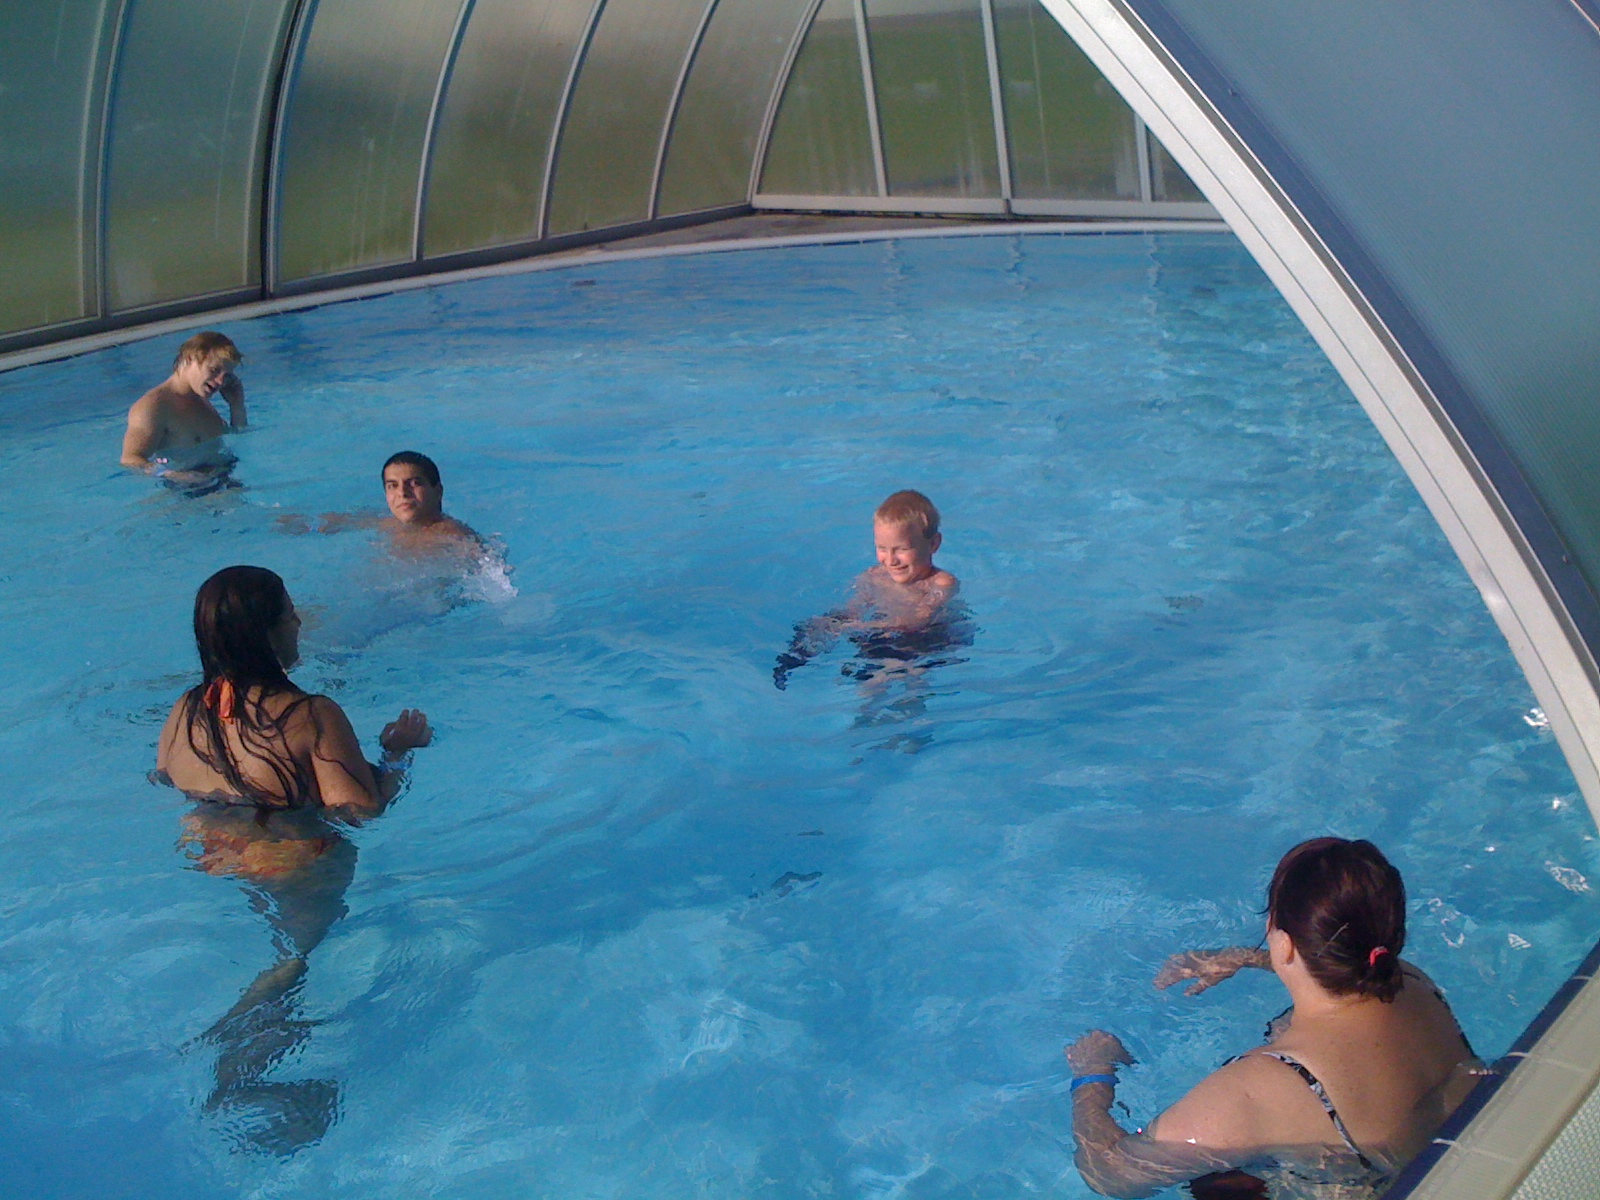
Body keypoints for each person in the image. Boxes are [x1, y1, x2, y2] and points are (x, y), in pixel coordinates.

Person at [152, 564, 431, 1152]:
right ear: (266, 632)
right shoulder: (310, 715)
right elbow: (360, 810)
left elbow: (168, 778)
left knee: (275, 958)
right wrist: (397, 755)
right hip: (296, 859)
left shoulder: (186, 709)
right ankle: (233, 1082)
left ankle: (222, 1063)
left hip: (210, 848)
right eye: (289, 612)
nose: (299, 621)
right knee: (293, 963)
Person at [1065, 839, 1482, 1200]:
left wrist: (1092, 1073)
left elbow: (1110, 1175)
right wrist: (1248, 958)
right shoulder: (1409, 981)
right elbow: (1343, 965)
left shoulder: (1257, 1092)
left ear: (1285, 944)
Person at [773, 489, 963, 690]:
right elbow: (855, 608)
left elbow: (918, 620)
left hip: (928, 639)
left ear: (933, 544)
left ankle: (907, 696)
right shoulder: (875, 576)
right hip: (882, 634)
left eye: (901, 549)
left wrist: (867, 626)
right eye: (882, 549)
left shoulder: (941, 582)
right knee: (821, 625)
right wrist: (840, 624)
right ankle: (791, 664)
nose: (890, 560)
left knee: (898, 673)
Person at [281, 451, 481, 554]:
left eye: (414, 483)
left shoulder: (457, 538)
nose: (402, 493)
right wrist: (302, 524)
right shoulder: (386, 523)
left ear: (437, 491)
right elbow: (330, 522)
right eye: (392, 486)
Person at [122, 331, 247, 491]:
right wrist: (171, 475)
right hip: (191, 493)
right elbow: (130, 459)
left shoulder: (202, 402)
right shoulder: (153, 407)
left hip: (225, 483)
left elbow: (238, 440)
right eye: (214, 370)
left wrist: (237, 406)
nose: (220, 382)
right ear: (189, 359)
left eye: (227, 375)